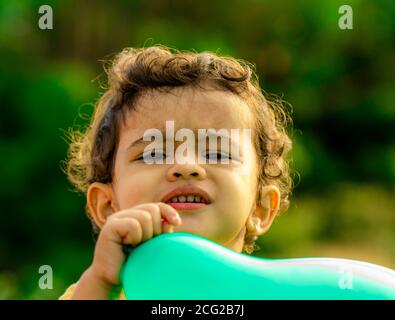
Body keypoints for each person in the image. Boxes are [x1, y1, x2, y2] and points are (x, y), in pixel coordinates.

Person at [59, 45, 293, 299]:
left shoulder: (276, 293)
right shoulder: (97, 293)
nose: (186, 166)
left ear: (261, 207)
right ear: (107, 205)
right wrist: (102, 281)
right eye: (154, 154)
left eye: (217, 154)